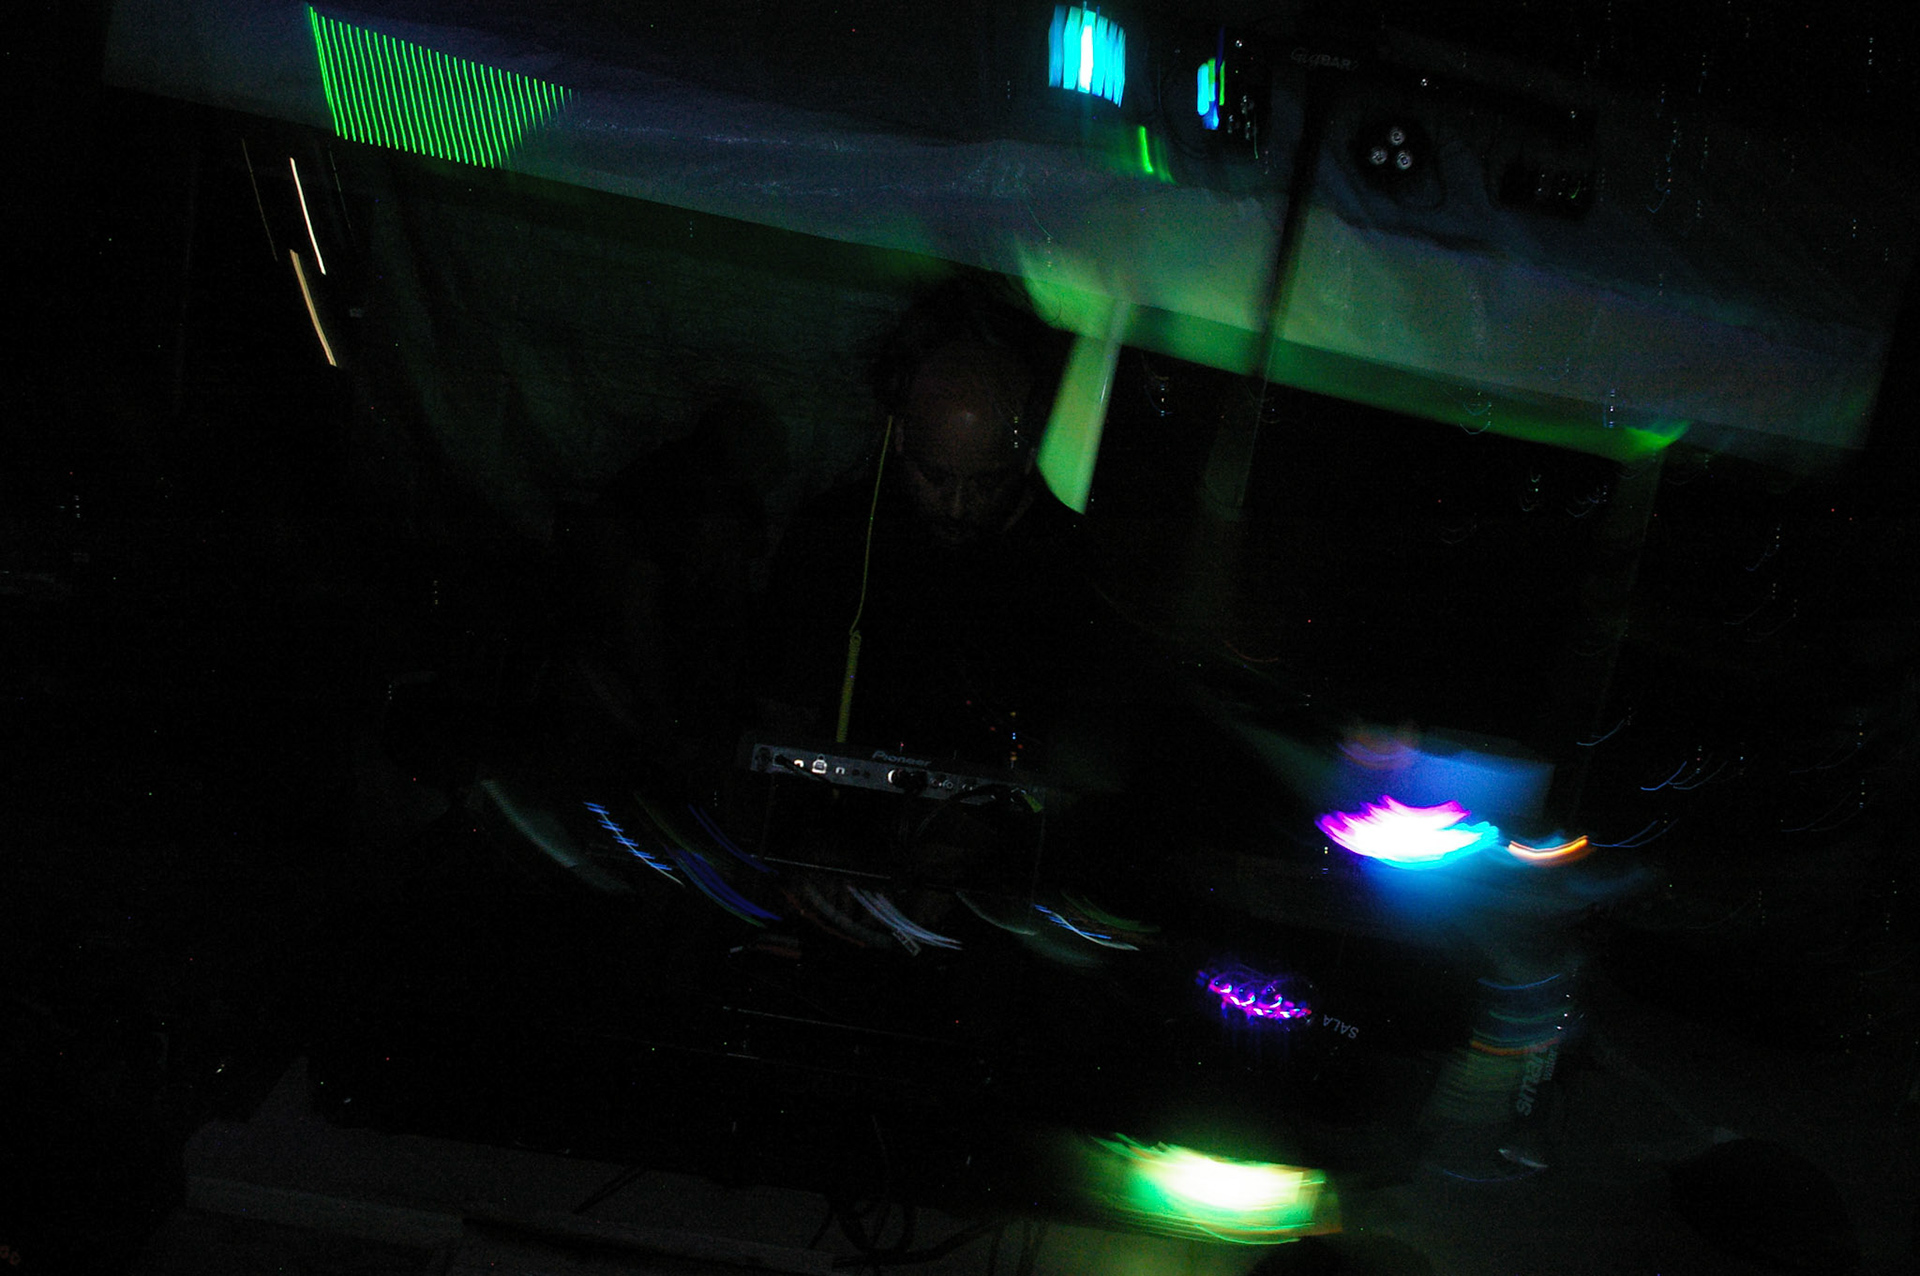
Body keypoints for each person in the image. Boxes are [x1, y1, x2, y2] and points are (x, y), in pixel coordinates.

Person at [753, 286, 1092, 770]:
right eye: (935, 477)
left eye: (987, 483)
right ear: (900, 435)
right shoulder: (834, 538)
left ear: (1028, 454)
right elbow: (781, 712)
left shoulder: (1068, 561)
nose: (957, 507)